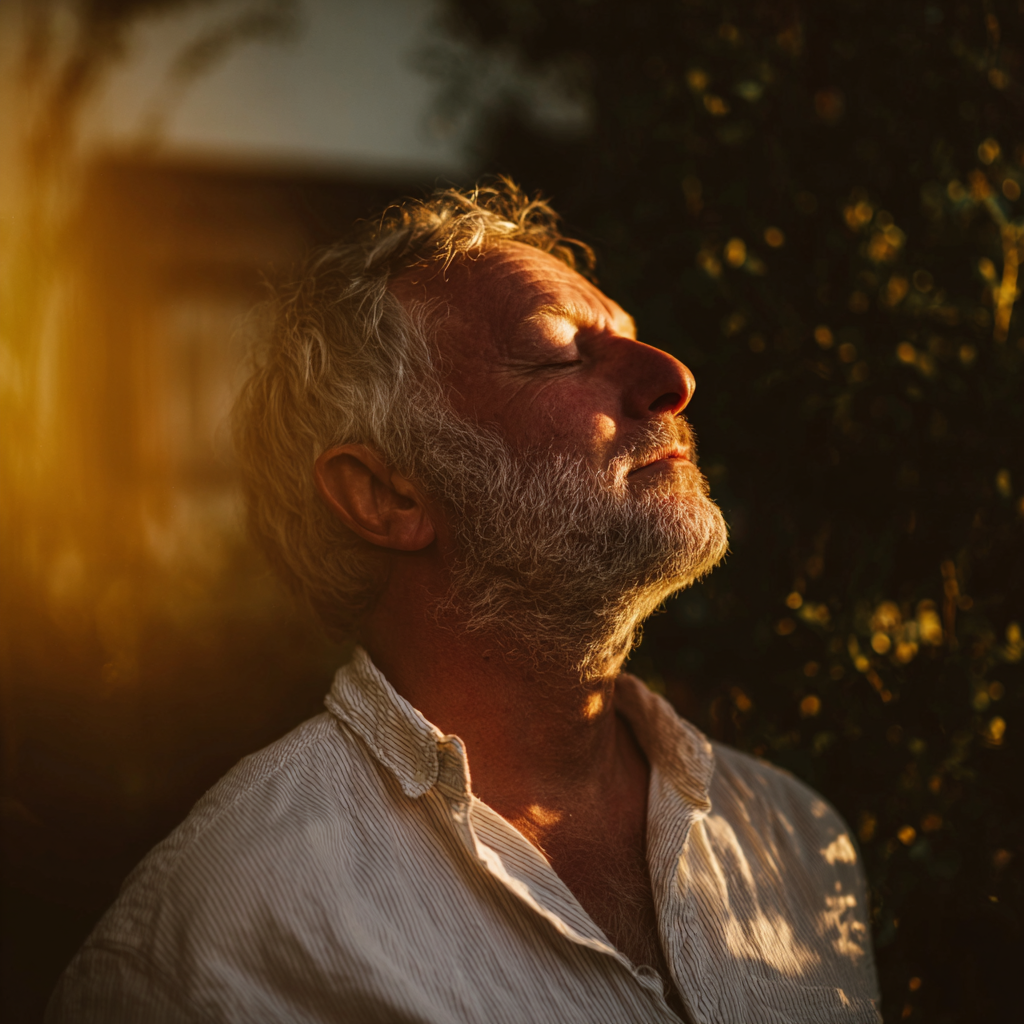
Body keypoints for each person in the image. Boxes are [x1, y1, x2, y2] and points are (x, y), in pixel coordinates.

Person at [47, 181, 881, 1024]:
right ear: (386, 496)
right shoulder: (212, 941)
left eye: (633, 340)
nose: (674, 379)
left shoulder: (799, 842)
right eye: (561, 351)